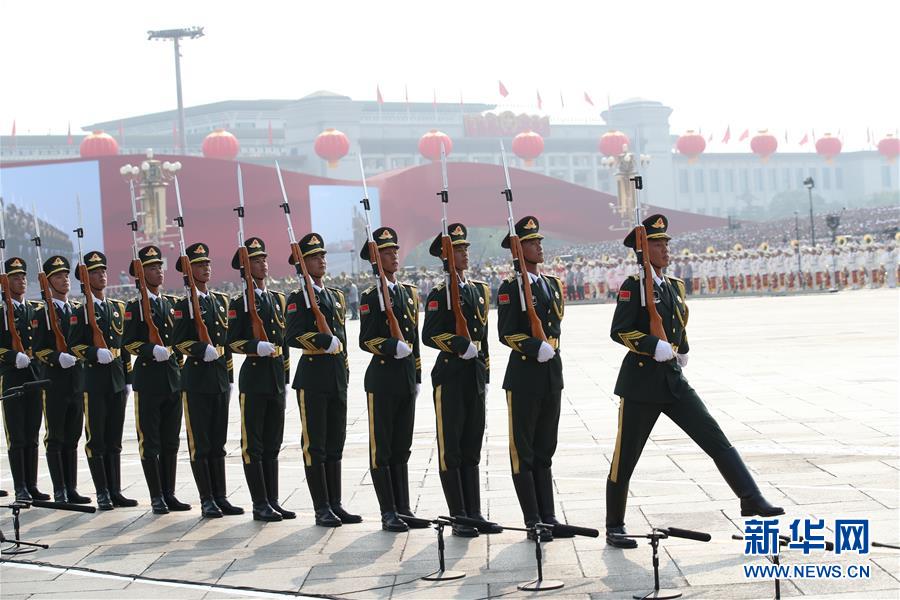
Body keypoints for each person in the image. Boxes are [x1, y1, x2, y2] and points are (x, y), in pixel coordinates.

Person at [605, 214, 784, 549]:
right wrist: (651, 345)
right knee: (625, 457)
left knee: (714, 436)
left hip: (672, 380)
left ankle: (751, 497)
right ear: (643, 251)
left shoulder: (673, 285)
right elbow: (620, 330)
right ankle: (614, 524)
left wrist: (681, 348)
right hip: (641, 384)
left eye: (666, 243)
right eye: (657, 244)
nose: (665, 249)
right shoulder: (633, 285)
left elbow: (677, 323)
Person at [421, 224, 500, 538]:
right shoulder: (440, 293)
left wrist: (486, 372)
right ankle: (458, 515)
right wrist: (457, 345)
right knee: (451, 447)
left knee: (472, 445)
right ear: (445, 255)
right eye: (458, 249)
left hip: (474, 376)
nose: (465, 253)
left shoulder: (479, 290)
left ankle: (475, 512)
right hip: (451, 376)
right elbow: (429, 335)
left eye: (466, 248)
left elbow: (484, 336)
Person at [496, 216, 569, 542]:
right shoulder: (511, 288)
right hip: (525, 373)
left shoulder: (550, 284)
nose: (540, 245)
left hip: (551, 372)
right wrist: (531, 346)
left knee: (545, 448)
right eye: (532, 242)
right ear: (518, 248)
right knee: (523, 450)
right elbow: (506, 333)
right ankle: (532, 520)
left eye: (539, 240)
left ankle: (549, 517)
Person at [284, 233, 361, 527]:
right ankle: (321, 507)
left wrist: (344, 371)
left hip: (335, 377)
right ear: (303, 264)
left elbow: (341, 337)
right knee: (315, 444)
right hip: (313, 377)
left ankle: (336, 503)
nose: (322, 261)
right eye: (315, 257)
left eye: (323, 256)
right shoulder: (298, 297)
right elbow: (291, 335)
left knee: (335, 443)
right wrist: (320, 341)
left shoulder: (334, 295)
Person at [358, 227, 423, 533]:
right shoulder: (371, 296)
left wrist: (418, 373)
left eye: (395, 250)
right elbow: (365, 340)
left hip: (405, 378)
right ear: (376, 258)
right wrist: (389, 346)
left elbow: (414, 339)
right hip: (382, 378)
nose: (394, 255)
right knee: (382, 448)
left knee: (402, 446)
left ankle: (404, 507)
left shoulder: (408, 293)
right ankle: (388, 511)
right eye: (386, 252)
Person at [172, 243, 243, 518]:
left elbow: (224, 342)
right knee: (200, 443)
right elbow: (179, 342)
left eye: (208, 263)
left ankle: (221, 496)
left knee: (218, 442)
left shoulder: (219, 301)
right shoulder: (184, 304)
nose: (207, 268)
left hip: (218, 380)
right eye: (200, 265)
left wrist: (229, 378)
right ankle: (206, 498)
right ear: (190, 271)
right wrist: (200, 349)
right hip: (197, 380)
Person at [227, 237, 293, 522]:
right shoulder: (240, 301)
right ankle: (259, 502)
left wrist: (286, 377)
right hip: (254, 377)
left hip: (275, 377)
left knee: (272, 442)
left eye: (264, 259)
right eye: (256, 260)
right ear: (245, 267)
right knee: (253, 443)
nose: (263, 264)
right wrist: (255, 347)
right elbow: (232, 342)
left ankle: (273, 500)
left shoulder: (278, 298)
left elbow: (285, 340)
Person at [124, 245, 190, 515]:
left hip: (172, 380)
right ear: (141, 275)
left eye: (160, 266)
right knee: (150, 441)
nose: (159, 271)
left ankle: (169, 492)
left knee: (170, 441)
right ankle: (156, 496)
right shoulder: (135, 307)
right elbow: (127, 343)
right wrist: (151, 350)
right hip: (149, 380)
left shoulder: (170, 304)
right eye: (152, 268)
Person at [67, 251, 135, 510]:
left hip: (117, 379)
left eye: (103, 271)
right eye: (95, 272)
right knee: (97, 439)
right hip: (93, 381)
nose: (102, 275)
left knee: (114, 438)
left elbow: (125, 346)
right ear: (86, 279)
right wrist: (95, 353)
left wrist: (128, 378)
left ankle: (115, 489)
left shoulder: (117, 307)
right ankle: (102, 491)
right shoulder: (81, 311)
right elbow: (74, 346)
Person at [32, 255, 90, 503]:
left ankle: (72, 488)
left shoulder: (77, 310)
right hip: (54, 382)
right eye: (58, 276)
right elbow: (39, 349)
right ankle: (59, 489)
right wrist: (57, 358)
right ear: (48, 282)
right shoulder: (42, 313)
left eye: (66, 275)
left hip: (76, 381)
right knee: (55, 436)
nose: (65, 280)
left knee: (73, 436)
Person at [0, 257, 48, 502]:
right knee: (17, 435)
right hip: (12, 377)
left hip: (34, 375)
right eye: (14, 277)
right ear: (4, 282)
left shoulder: (35, 309)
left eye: (22, 276)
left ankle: (32, 484)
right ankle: (20, 487)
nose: (20, 281)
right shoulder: (1, 312)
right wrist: (10, 356)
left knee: (32, 432)